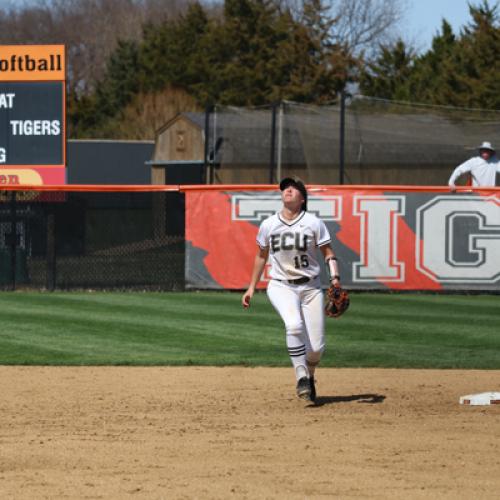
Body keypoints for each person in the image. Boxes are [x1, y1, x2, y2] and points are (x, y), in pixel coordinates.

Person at [241, 177, 342, 403]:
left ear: (302, 199)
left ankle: (310, 376)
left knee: (316, 349)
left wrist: (335, 279)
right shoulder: (268, 224)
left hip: (311, 287)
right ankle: (300, 376)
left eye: (294, 189)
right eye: (285, 187)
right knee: (294, 325)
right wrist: (251, 288)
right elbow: (261, 256)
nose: (288, 190)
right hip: (280, 285)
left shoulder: (314, 223)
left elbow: (328, 252)